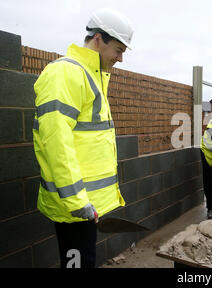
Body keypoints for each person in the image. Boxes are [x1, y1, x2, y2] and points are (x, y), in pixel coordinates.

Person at [32, 8, 133, 268]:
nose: (121, 58)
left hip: (86, 204)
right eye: (118, 50)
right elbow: (56, 142)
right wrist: (77, 201)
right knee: (77, 263)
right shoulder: (65, 73)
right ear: (98, 39)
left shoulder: (91, 76)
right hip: (74, 205)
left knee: (83, 260)